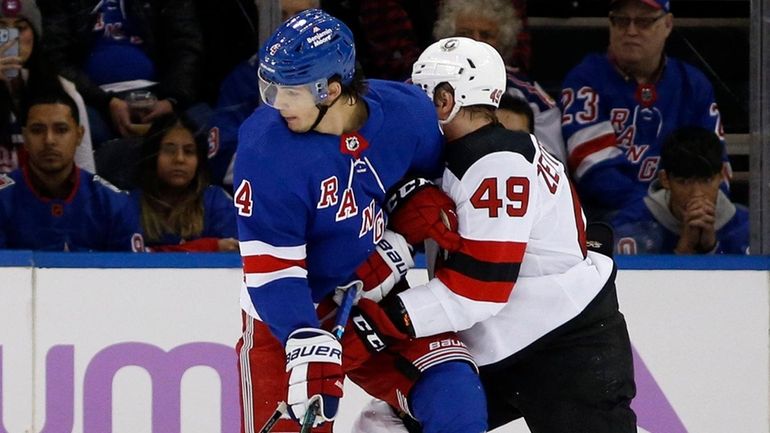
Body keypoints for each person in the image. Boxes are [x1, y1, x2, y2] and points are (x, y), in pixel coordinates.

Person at [350, 36, 637, 432]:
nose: (410, 110)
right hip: (497, 342)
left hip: (566, 346)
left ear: (446, 101)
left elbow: (478, 289)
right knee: (388, 422)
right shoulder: (461, 157)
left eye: (420, 95)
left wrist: (383, 321)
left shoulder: (496, 162)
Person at [233, 9, 486, 433]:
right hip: (292, 312)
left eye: (290, 91)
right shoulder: (265, 152)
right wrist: (303, 339)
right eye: (270, 87)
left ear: (331, 89)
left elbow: (435, 180)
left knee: (455, 400)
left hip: (380, 295)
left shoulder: (409, 116)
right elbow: (272, 271)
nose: (277, 103)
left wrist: (415, 207)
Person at [560, 0, 730, 221]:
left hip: (682, 215)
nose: (631, 31)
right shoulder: (585, 79)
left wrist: (691, 210)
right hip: (607, 216)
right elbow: (595, 171)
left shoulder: (693, 84)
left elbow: (715, 167)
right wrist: (658, 209)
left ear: (668, 25)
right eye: (621, 20)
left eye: (644, 22)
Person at [36, 0, 203, 145]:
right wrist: (106, 101)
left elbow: (185, 45)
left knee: (204, 124)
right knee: (73, 130)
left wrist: (171, 100)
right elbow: (55, 58)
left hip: (160, 94)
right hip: (92, 100)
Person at [0, 90, 143, 251]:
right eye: (37, 130)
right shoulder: (3, 198)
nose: (49, 140)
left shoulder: (114, 204)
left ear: (79, 135)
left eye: (61, 130)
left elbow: (132, 274)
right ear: (25, 138)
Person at [433, 0, 566, 163]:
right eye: (465, 33)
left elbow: (553, 163)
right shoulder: (419, 85)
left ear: (503, 41)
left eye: (486, 35)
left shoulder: (534, 98)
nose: (476, 42)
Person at [206, 0, 319, 187]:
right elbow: (221, 160)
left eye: (301, 15)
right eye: (281, 15)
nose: (290, 26)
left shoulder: (340, 75)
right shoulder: (243, 81)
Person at [612, 126, 749, 254]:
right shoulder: (632, 223)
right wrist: (684, 250)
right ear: (665, 179)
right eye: (684, 182)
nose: (697, 194)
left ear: (721, 177)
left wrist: (711, 248)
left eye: (706, 181)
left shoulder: (746, 228)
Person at [0, 0, 95, 174]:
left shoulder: (63, 91)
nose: (11, 38)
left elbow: (84, 170)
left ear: (35, 35)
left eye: (20, 29)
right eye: (1, 29)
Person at [131, 113, 237, 252]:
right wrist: (210, 246)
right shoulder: (131, 205)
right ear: (152, 155)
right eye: (169, 151)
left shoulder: (215, 202)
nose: (179, 159)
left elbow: (237, 251)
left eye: (189, 151)